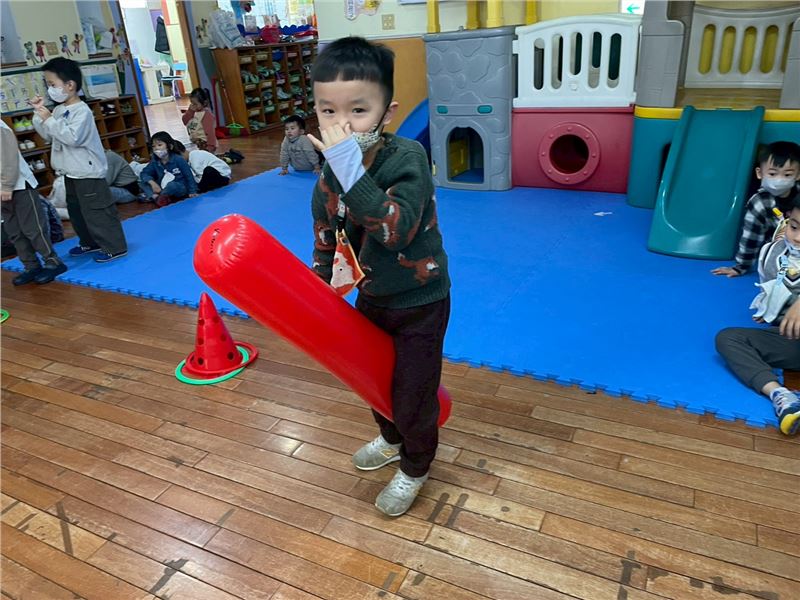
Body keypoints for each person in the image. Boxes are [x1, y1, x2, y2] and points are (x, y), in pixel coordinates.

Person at [308, 37, 451, 517]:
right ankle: (391, 438)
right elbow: (325, 227)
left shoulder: (407, 158)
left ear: (387, 113)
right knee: (373, 380)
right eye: (328, 111)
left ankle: (416, 464)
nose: (342, 125)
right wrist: (321, 281)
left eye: (358, 111)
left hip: (420, 300)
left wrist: (351, 171)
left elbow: (395, 231)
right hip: (371, 297)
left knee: (413, 393)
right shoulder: (331, 172)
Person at [716, 196, 800, 436]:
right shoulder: (775, 253)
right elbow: (773, 287)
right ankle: (781, 395)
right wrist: (770, 309)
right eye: (794, 227)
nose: (797, 237)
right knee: (727, 338)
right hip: (793, 342)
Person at [31, 57, 127, 262]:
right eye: (47, 85)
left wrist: (49, 119)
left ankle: (115, 246)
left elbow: (72, 138)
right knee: (77, 211)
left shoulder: (82, 111)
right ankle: (89, 242)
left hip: (87, 172)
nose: (49, 89)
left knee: (97, 212)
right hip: (69, 171)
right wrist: (39, 115)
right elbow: (49, 135)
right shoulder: (59, 110)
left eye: (52, 84)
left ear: (70, 85)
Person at [712, 141, 800, 277]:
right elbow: (751, 237)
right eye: (772, 174)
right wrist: (741, 267)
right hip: (779, 252)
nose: (779, 180)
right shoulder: (759, 204)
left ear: (798, 175)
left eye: (787, 175)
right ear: (760, 173)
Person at [1, 119, 67, 284]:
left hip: (19, 186)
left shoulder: (1, 128)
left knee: (33, 228)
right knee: (14, 231)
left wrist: (7, 185)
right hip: (3, 190)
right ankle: (31, 266)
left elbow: (9, 159)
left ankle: (53, 262)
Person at [140, 131, 197, 206]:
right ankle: (156, 197)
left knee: (172, 185)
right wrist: (152, 183)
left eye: (159, 145)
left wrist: (192, 191)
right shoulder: (155, 161)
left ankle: (158, 196)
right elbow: (144, 173)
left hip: (179, 187)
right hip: (161, 187)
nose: (156, 148)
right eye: (153, 146)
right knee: (143, 182)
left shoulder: (178, 159)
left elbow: (189, 176)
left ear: (170, 146)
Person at [181, 87, 217, 153]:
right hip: (199, 143)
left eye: (195, 104)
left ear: (204, 103)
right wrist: (190, 112)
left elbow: (210, 132)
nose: (193, 105)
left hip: (206, 144)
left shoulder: (207, 115)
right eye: (191, 103)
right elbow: (185, 121)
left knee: (206, 157)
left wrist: (211, 146)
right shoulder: (192, 112)